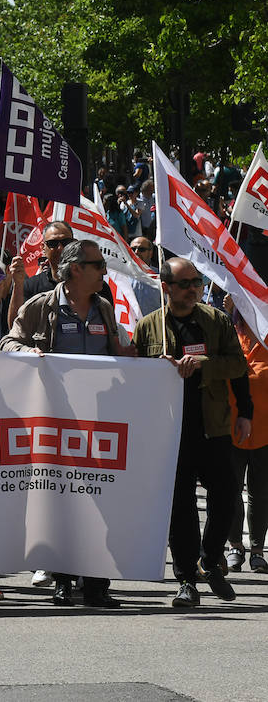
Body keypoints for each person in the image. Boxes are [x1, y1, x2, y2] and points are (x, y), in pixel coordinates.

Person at [1, 240, 132, 607]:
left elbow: (120, 354)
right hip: (56, 422)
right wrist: (28, 352)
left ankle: (96, 585)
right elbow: (8, 342)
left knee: (99, 501)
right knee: (61, 501)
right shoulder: (41, 307)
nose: (103, 271)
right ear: (76, 269)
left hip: (99, 422)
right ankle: (62, 579)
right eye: (97, 264)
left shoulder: (104, 309)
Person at [133, 258, 250, 607]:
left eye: (197, 282)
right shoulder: (148, 327)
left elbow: (238, 366)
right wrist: (157, 370)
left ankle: (210, 560)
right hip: (169, 430)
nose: (193, 288)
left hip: (212, 426)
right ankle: (186, 580)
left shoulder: (215, 321)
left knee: (227, 496)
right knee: (180, 507)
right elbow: (134, 375)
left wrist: (244, 411)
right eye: (185, 283)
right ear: (166, 287)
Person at [222, 295, 268, 574]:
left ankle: (257, 550)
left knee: (261, 493)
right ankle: (235, 546)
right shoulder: (229, 336)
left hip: (265, 431)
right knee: (230, 491)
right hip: (231, 429)